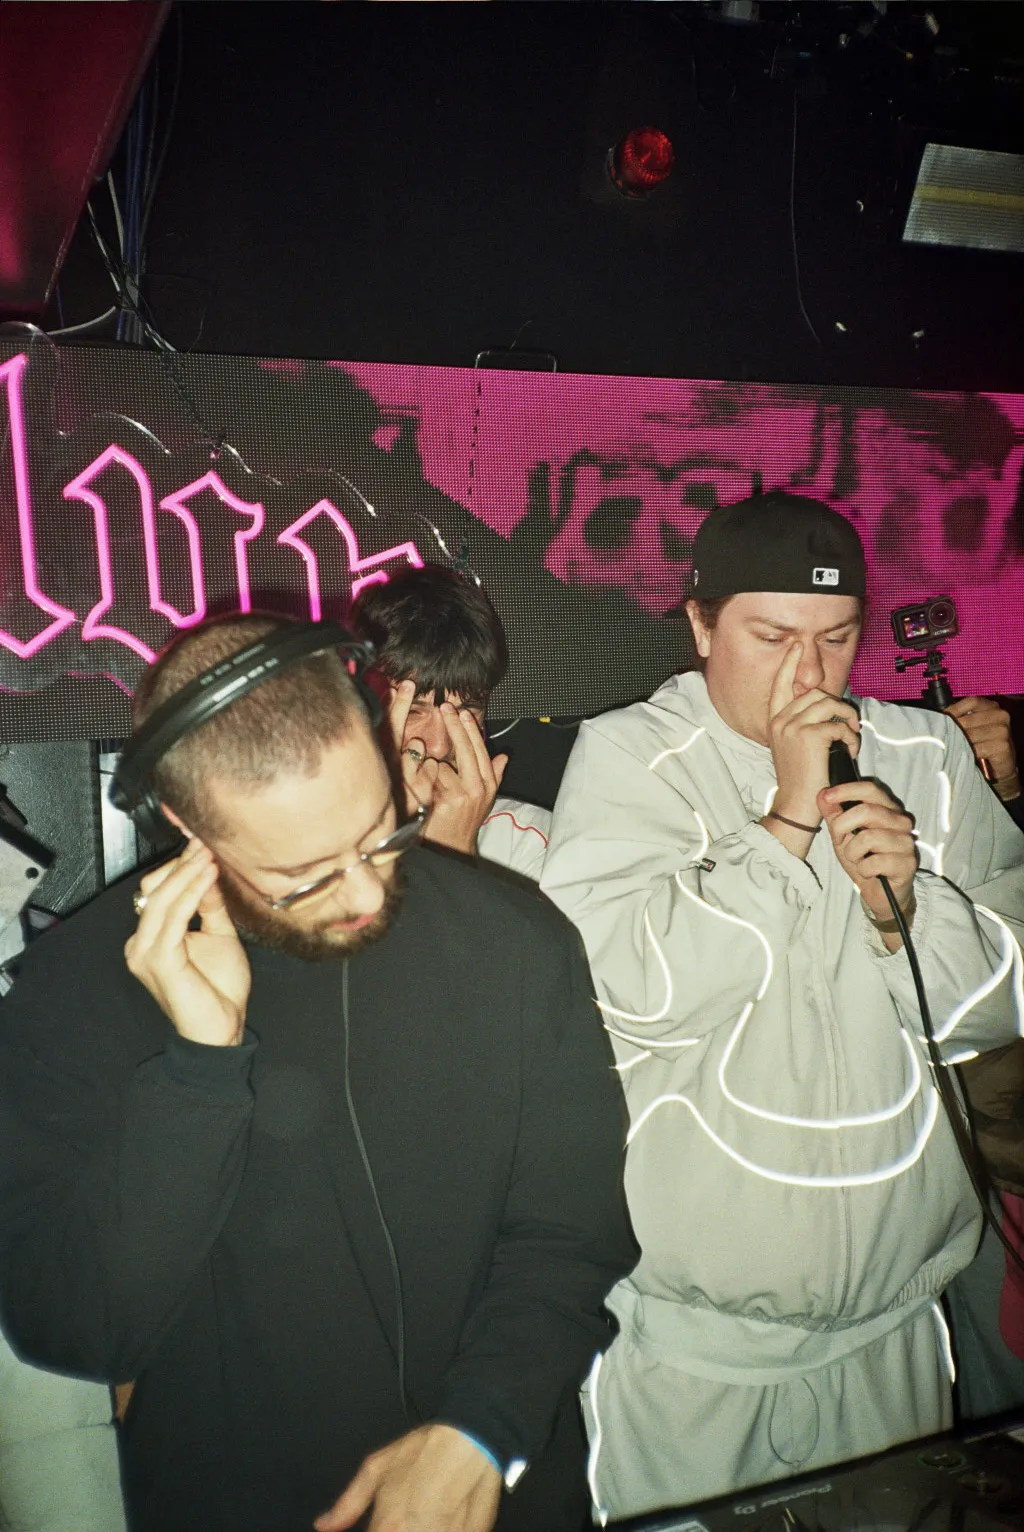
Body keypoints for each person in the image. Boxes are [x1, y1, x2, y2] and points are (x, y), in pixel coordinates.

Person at [0, 614, 635, 1532]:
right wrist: (199, 1071)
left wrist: (483, 1430)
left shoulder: (517, 939)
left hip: (499, 1496)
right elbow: (75, 1328)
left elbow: (572, 1237)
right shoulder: (77, 991)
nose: (368, 892)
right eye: (303, 875)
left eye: (380, 833)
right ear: (185, 824)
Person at [540, 491, 1024, 1520]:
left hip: (894, 1326)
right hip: (689, 1350)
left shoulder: (929, 759)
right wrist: (786, 823)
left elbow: (1002, 1007)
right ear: (700, 624)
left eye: (836, 638)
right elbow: (628, 997)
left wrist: (911, 915)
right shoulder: (630, 756)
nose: (809, 675)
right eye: (771, 638)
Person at [349, 564, 551, 880]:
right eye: (413, 711)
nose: (440, 746)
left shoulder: (527, 844)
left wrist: (455, 855)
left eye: (466, 713)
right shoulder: (308, 837)